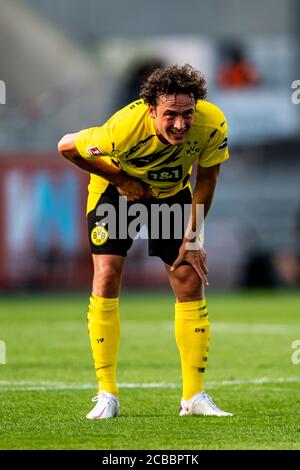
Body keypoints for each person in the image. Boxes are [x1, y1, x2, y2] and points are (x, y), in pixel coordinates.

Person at [58, 64, 232, 419]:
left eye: (187, 114)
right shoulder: (122, 129)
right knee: (106, 276)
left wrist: (193, 236)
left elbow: (207, 178)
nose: (181, 125)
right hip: (117, 194)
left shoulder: (212, 123)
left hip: (170, 195)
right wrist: (120, 178)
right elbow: (66, 147)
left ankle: (194, 397)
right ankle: (107, 395)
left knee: (188, 278)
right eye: (171, 115)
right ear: (152, 109)